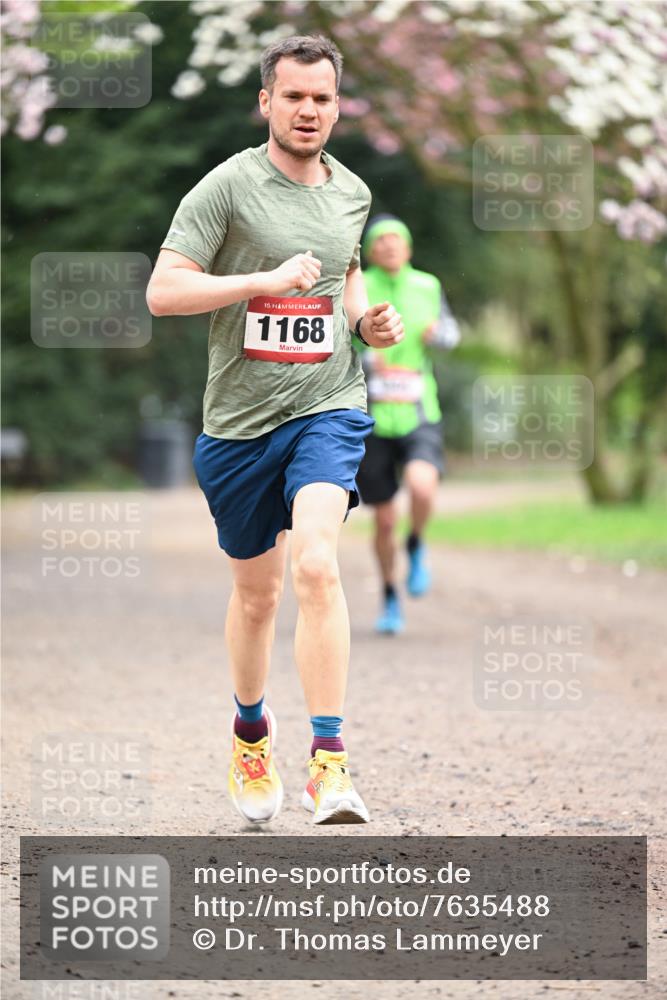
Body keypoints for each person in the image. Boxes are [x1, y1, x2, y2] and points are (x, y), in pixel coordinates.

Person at [146, 36, 404, 825]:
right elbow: (163, 291)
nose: (308, 110)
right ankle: (251, 732)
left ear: (336, 105)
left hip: (327, 405)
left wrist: (366, 319)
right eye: (293, 96)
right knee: (256, 595)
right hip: (237, 427)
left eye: (321, 98)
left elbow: (344, 272)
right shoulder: (226, 187)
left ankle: (329, 765)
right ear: (266, 101)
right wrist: (259, 280)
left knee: (318, 566)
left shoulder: (352, 193)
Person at [355, 215, 461, 635]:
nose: (390, 246)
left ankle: (415, 541)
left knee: (422, 486)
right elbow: (340, 335)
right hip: (371, 416)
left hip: (419, 409)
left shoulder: (428, 286)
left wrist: (440, 336)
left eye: (397, 240)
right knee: (382, 521)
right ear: (370, 250)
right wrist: (366, 356)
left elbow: (452, 334)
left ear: (409, 249)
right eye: (381, 241)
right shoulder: (359, 284)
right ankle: (389, 596)